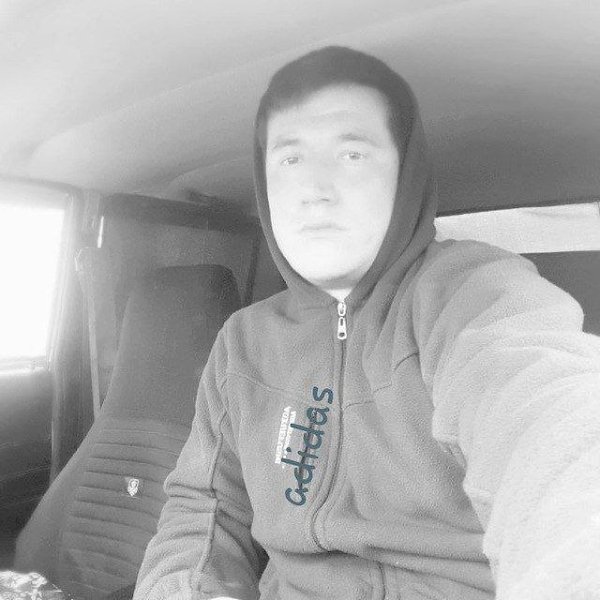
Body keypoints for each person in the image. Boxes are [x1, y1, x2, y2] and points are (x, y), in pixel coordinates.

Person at [133, 46, 600, 600]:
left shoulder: (474, 294)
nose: (315, 191)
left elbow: (556, 431)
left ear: (405, 174)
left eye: (352, 154)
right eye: (290, 159)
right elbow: (204, 508)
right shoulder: (243, 342)